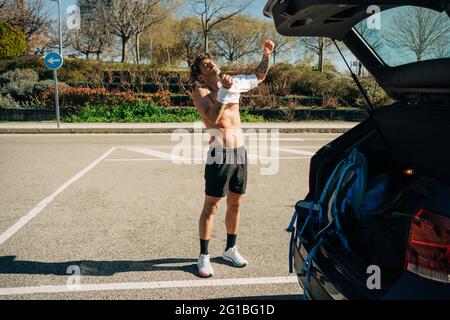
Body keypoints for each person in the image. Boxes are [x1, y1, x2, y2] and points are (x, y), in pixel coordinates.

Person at [189, 39, 275, 278]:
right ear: (200, 76)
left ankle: (230, 249)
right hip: (219, 155)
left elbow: (259, 76)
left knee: (236, 203)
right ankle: (204, 256)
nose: (211, 65)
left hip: (240, 153)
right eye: (205, 66)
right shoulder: (201, 92)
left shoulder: (233, 82)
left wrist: (266, 54)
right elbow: (213, 118)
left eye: (211, 61)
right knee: (211, 206)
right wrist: (224, 91)